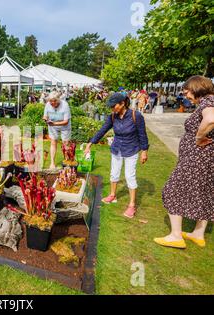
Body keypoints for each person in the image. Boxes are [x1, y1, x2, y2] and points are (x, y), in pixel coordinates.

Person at [155, 76, 214, 249]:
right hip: (206, 158)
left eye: (186, 90)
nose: (185, 94)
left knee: (172, 190)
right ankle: (198, 233)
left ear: (196, 88)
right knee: (204, 193)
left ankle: (175, 236)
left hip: (197, 159)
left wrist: (198, 137)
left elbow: (211, 119)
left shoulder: (207, 103)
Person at [84, 93, 149, 218]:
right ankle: (112, 195)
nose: (112, 108)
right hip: (117, 148)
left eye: (114, 106)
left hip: (131, 149)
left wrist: (144, 151)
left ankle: (131, 205)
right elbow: (103, 130)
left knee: (129, 176)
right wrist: (91, 143)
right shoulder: (113, 117)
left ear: (123, 103)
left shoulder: (136, 116)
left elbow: (142, 134)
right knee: (114, 173)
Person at [43, 91, 72, 169]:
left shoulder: (65, 105)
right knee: (53, 143)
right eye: (51, 101)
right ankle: (52, 163)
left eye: (54, 101)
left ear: (58, 99)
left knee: (65, 144)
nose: (52, 103)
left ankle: (67, 162)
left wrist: (54, 123)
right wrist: (46, 119)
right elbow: (45, 116)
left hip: (64, 126)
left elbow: (66, 121)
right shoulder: (48, 105)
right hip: (53, 125)